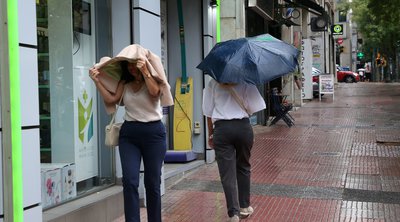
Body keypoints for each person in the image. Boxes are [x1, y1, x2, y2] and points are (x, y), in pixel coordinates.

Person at [89, 47, 173, 222]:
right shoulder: (124, 83)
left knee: (152, 183)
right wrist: (96, 81)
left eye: (135, 64)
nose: (132, 68)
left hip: (154, 135)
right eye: (129, 66)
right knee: (130, 181)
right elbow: (111, 100)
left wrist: (145, 72)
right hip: (130, 135)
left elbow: (155, 93)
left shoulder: (154, 79)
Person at [202, 79, 266, 222]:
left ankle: (233, 214)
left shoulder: (213, 83)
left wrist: (211, 133)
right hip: (243, 127)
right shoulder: (246, 81)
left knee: (227, 173)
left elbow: (208, 112)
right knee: (243, 166)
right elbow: (258, 105)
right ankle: (244, 207)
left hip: (222, 129)